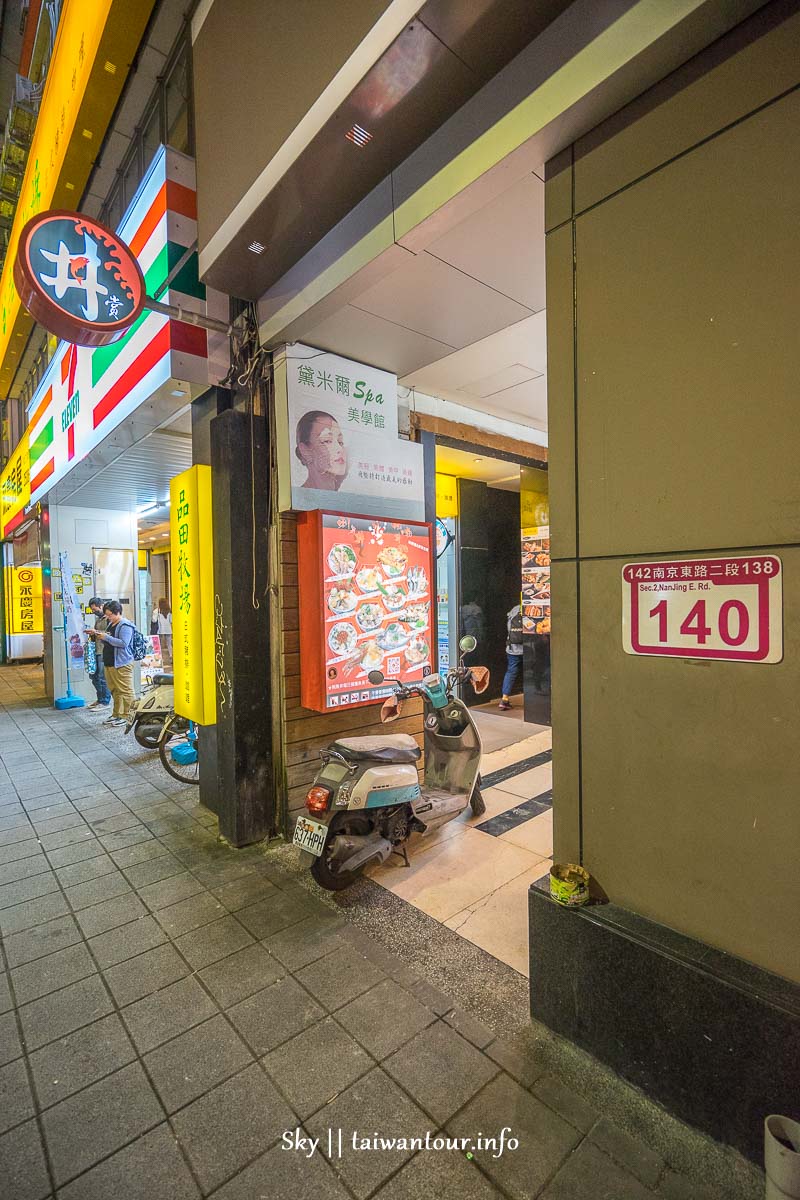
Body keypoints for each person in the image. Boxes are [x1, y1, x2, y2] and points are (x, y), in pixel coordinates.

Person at [90, 601, 136, 726]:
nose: (108, 617)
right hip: (110, 662)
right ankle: (117, 714)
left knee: (126, 690)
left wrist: (106, 637)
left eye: (110, 615)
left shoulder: (125, 625)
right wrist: (98, 635)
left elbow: (123, 643)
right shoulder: (111, 623)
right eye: (107, 615)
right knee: (115, 690)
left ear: (118, 613)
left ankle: (128, 715)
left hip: (122, 663)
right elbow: (110, 640)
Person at [295, 410, 348, 490]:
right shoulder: (297, 498)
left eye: (340, 442)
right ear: (305, 451)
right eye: (327, 441)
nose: (340, 449)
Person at [86, 597, 111, 711]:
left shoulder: (109, 619)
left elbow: (110, 634)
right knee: (94, 676)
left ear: (101, 606)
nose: (94, 612)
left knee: (102, 677)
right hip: (96, 650)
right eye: (92, 610)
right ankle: (100, 699)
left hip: (103, 651)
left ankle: (105, 701)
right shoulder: (99, 619)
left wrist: (95, 632)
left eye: (95, 609)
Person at [498, 602, 524, 711]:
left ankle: (505, 698)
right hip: (527, 647)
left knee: (511, 671)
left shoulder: (514, 610)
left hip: (512, 647)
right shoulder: (529, 608)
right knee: (534, 669)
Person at [153, 597, 172, 665]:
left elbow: (154, 620)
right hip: (168, 629)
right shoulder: (169, 611)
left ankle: (159, 658)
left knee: (159, 645)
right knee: (169, 644)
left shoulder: (157, 611)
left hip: (160, 630)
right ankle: (171, 656)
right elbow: (171, 621)